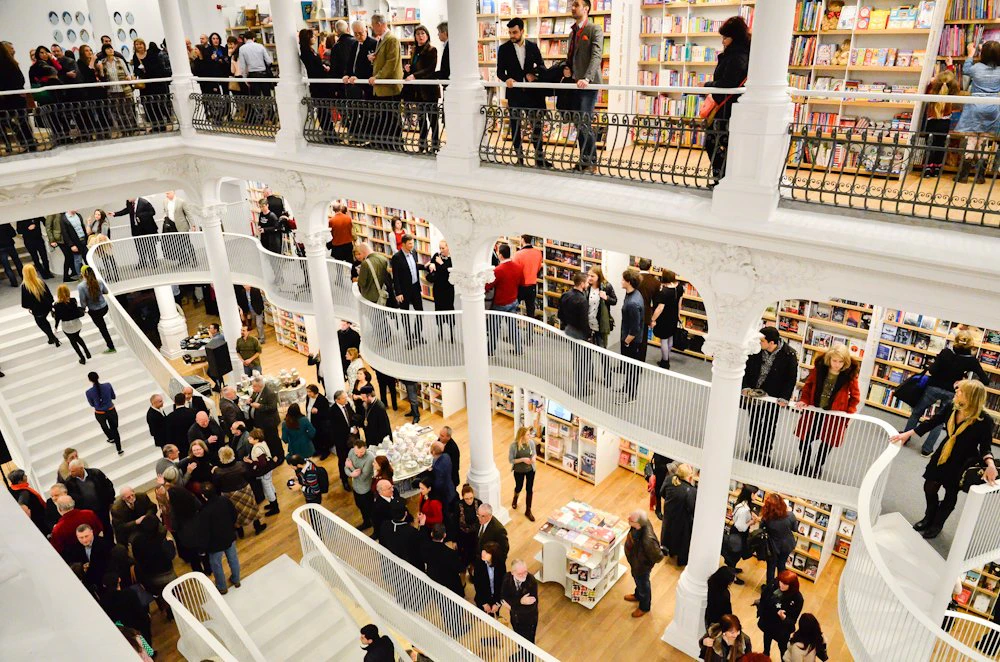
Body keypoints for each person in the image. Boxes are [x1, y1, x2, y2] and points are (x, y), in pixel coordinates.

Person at [892, 379, 998, 538]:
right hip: (944, 453)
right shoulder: (952, 407)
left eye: (961, 391)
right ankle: (929, 516)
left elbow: (985, 447)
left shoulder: (984, 420)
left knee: (951, 493)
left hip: (963, 460)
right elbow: (932, 422)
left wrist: (990, 464)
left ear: (970, 397)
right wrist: (907, 434)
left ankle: (937, 523)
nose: (956, 391)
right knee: (929, 486)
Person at [904, 329, 988, 456]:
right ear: (971, 344)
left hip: (933, 388)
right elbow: (985, 380)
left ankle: (905, 438)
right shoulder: (971, 361)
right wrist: (965, 382)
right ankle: (927, 449)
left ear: (956, 341)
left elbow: (932, 371)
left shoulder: (945, 353)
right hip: (952, 393)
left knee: (916, 413)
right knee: (940, 419)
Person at [793, 344, 860, 478]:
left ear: (845, 362)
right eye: (834, 361)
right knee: (804, 439)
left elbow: (855, 397)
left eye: (840, 362)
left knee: (827, 443)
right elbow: (808, 386)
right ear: (829, 359)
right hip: (814, 411)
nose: (837, 365)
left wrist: (848, 414)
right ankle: (804, 463)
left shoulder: (850, 375)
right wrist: (804, 400)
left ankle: (817, 466)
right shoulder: (819, 369)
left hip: (835, 416)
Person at [742, 326, 799, 467]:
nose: (759, 343)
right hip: (755, 394)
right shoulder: (755, 350)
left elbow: (791, 378)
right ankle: (754, 448)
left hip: (773, 396)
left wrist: (785, 397)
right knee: (754, 421)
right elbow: (745, 368)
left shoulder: (789, 355)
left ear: (772, 343)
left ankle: (765, 451)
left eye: (762, 341)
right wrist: (746, 387)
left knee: (769, 424)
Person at [497, 22, 550, 168]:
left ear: (522, 31)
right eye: (510, 32)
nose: (512, 35)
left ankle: (539, 159)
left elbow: (542, 66)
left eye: (514, 32)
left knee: (536, 126)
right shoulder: (503, 49)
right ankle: (519, 159)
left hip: (533, 95)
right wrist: (506, 79)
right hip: (514, 94)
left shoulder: (533, 46)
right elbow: (499, 72)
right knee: (515, 127)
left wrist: (534, 74)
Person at [705, 16, 750, 181]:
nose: (723, 41)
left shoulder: (737, 56)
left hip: (728, 109)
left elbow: (727, 83)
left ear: (735, 38)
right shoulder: (740, 54)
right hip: (729, 107)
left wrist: (707, 84)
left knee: (713, 141)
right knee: (722, 143)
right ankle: (724, 178)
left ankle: (722, 179)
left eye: (726, 37)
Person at [562, 0, 604, 172]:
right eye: (572, 5)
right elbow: (572, 56)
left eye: (576, 5)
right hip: (574, 84)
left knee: (584, 123)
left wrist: (587, 78)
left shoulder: (595, 29)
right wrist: (567, 69)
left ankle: (591, 162)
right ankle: (584, 161)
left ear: (586, 8)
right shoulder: (572, 32)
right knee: (579, 123)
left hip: (588, 84)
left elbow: (596, 56)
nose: (572, 8)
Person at [955, 41, 1000, 183]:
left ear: (982, 54)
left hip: (975, 106)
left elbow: (966, 69)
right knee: (984, 141)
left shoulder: (976, 68)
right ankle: (980, 176)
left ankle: (963, 175)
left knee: (971, 139)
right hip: (992, 107)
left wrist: (970, 54)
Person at [130, 515, 177, 620]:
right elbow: (171, 555)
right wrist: (170, 542)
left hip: (150, 575)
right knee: (172, 593)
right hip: (167, 573)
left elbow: (137, 558)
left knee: (159, 594)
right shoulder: (162, 539)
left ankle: (165, 610)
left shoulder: (137, 541)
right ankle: (173, 611)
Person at [213, 446, 267, 536]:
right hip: (244, 490)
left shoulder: (218, 471)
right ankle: (257, 526)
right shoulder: (241, 464)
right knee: (252, 507)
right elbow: (249, 476)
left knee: (235, 512)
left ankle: (240, 531)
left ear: (220, 457)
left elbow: (217, 485)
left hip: (229, 494)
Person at [368, 14, 404, 150]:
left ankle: (396, 145)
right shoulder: (382, 39)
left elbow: (391, 63)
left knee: (393, 118)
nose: (372, 29)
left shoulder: (391, 39)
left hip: (389, 87)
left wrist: (377, 77)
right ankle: (386, 143)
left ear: (379, 24)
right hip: (383, 87)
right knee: (385, 117)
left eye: (373, 25)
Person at [198, 483, 241, 595]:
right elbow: (234, 514)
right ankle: (236, 579)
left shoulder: (204, 511)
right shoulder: (224, 500)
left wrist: (203, 547)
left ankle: (222, 587)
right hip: (229, 536)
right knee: (233, 559)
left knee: (216, 564)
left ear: (204, 496)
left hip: (215, 543)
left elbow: (204, 531)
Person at [404, 25, 440, 153]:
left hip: (429, 90)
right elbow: (415, 68)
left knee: (433, 119)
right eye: (418, 34)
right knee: (421, 119)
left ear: (427, 35)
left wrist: (414, 75)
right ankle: (422, 145)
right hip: (418, 90)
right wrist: (409, 69)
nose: (420, 36)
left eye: (423, 33)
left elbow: (430, 69)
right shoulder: (414, 50)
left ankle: (435, 145)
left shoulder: (432, 50)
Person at [921, 66, 960, 179]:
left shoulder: (932, 91)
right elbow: (951, 82)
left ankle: (927, 168)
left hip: (931, 122)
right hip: (945, 123)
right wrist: (950, 67)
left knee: (929, 145)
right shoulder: (952, 92)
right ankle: (937, 169)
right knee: (941, 146)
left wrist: (932, 82)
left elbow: (931, 87)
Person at [62, 458, 116, 538]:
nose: (71, 473)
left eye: (73, 471)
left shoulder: (96, 473)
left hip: (102, 508)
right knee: (92, 531)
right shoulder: (69, 482)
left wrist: (111, 501)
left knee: (106, 526)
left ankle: (110, 543)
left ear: (81, 468)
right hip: (86, 513)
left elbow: (108, 486)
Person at [624, 510, 663, 618]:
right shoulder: (639, 525)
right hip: (636, 562)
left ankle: (644, 607)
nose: (628, 518)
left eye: (631, 519)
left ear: (638, 524)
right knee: (639, 582)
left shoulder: (648, 540)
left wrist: (644, 563)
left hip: (641, 567)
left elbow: (658, 556)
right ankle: (637, 595)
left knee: (643, 585)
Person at [558, 272, 592, 395]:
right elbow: (584, 322)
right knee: (582, 361)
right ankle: (582, 388)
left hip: (569, 330)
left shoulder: (565, 295)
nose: (588, 284)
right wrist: (589, 335)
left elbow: (560, 314)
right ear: (582, 284)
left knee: (578, 359)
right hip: (580, 334)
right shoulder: (582, 301)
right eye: (587, 282)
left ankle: (582, 385)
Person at [758, 569, 804, 658]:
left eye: (785, 584)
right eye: (781, 582)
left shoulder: (797, 599)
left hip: (782, 628)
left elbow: (793, 620)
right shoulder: (774, 585)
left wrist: (784, 617)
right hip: (769, 621)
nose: (781, 585)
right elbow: (764, 598)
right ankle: (766, 655)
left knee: (783, 649)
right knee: (766, 640)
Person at [487, 243, 523, 355]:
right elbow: (521, 282)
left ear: (501, 255)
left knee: (494, 328)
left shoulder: (498, 270)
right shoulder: (518, 267)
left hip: (500, 303)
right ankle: (518, 349)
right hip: (513, 301)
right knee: (513, 327)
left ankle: (490, 350)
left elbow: (488, 286)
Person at [390, 234, 427, 346]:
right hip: (404, 291)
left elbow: (414, 266)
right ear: (403, 244)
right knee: (405, 315)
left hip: (415, 288)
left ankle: (417, 335)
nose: (412, 245)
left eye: (412, 243)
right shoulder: (396, 257)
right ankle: (409, 339)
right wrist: (398, 293)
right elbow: (395, 277)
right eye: (410, 243)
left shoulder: (413, 252)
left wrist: (425, 266)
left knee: (420, 312)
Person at [661, 463, 697, 566]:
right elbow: (692, 507)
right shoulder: (691, 491)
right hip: (682, 519)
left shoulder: (669, 480)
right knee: (682, 540)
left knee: (668, 534)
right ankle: (681, 560)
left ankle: (668, 551)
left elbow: (662, 493)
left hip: (669, 515)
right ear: (688, 476)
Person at [131, 40, 171, 132]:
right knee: (148, 104)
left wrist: (145, 68)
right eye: (137, 44)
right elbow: (136, 69)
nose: (139, 46)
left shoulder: (151, 54)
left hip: (155, 83)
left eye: (140, 44)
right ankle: (154, 125)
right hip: (145, 85)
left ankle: (162, 125)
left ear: (144, 45)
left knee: (157, 104)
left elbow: (157, 67)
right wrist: (136, 74)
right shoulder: (135, 56)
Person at [619, 268, 645, 402]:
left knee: (631, 368)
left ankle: (631, 395)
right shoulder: (633, 293)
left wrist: (626, 342)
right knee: (628, 367)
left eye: (623, 279)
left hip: (631, 341)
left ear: (629, 282)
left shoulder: (633, 303)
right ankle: (626, 387)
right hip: (629, 337)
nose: (621, 281)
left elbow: (635, 328)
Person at [77, 266, 116, 353]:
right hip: (104, 308)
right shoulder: (99, 281)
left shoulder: (81, 286)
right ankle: (111, 346)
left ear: (83, 274)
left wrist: (83, 309)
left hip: (94, 311)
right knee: (103, 326)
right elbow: (106, 292)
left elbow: (83, 302)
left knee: (103, 329)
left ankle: (111, 347)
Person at [761, 493, 798, 586]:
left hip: (772, 546)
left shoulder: (766, 518)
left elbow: (761, 529)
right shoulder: (790, 515)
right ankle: (781, 586)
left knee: (771, 567)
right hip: (787, 545)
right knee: (781, 565)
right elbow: (795, 529)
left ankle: (769, 588)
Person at [722, 484, 754, 583]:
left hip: (735, 532)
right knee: (734, 555)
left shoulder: (740, 503)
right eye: (755, 494)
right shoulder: (745, 510)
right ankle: (732, 577)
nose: (756, 496)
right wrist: (751, 522)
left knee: (734, 553)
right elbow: (742, 527)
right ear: (750, 494)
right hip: (739, 534)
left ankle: (732, 570)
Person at [113, 199, 158, 269]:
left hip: (147, 228)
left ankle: (153, 262)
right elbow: (127, 210)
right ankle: (142, 262)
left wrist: (140, 215)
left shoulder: (144, 202)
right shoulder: (129, 202)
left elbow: (152, 212)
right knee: (139, 247)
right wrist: (115, 214)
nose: (128, 199)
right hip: (136, 228)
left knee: (150, 246)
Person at [650, 270, 681, 369]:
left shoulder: (664, 292)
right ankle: (667, 357)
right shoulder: (679, 287)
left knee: (663, 340)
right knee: (670, 337)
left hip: (664, 318)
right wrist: (678, 314)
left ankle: (665, 362)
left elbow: (660, 308)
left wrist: (653, 319)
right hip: (673, 316)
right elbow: (680, 302)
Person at [21, 264, 59, 345]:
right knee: (44, 321)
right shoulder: (41, 282)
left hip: (37, 310)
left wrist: (30, 307)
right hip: (47, 307)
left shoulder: (25, 286)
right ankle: (51, 337)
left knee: (41, 323)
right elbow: (50, 296)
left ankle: (51, 337)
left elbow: (25, 303)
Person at [502, 559, 540, 642]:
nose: (523, 575)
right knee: (518, 637)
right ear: (513, 572)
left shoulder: (531, 582)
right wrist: (520, 601)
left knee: (529, 641)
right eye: (520, 573)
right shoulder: (507, 578)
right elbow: (504, 598)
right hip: (515, 618)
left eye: (525, 572)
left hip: (529, 620)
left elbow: (530, 608)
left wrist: (512, 607)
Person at [85, 372, 123, 455]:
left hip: (100, 413)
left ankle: (111, 438)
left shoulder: (88, 392)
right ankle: (119, 449)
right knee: (115, 429)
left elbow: (92, 404)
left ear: (89, 380)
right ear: (98, 377)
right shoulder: (108, 385)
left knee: (104, 426)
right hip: (111, 410)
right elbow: (113, 397)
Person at [53, 284, 91, 364]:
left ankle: (82, 358)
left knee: (73, 341)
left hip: (66, 326)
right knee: (77, 337)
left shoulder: (56, 305)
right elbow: (75, 311)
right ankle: (86, 351)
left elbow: (57, 317)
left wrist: (56, 327)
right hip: (76, 323)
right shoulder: (73, 300)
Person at [248, 375, 282, 463]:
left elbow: (272, 408)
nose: (252, 388)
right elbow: (253, 397)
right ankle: (270, 455)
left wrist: (260, 406)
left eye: (254, 386)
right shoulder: (256, 391)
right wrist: (250, 400)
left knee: (273, 440)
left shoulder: (270, 393)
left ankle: (279, 457)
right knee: (266, 440)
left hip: (269, 423)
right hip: (260, 423)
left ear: (259, 386)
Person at [422, 522, 463, 595]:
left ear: (431, 534)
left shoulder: (425, 548)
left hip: (432, 582)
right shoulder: (451, 553)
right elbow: (459, 568)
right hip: (448, 586)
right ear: (444, 535)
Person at [247, 427, 280, 515]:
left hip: (264, 471)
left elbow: (262, 463)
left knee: (267, 488)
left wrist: (250, 461)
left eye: (250, 438)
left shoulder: (257, 449)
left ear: (256, 439)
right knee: (270, 485)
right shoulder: (263, 443)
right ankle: (273, 503)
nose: (248, 438)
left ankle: (275, 507)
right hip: (269, 469)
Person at [330, 390, 358, 490]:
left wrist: (355, 425)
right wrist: (350, 430)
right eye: (344, 398)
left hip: (352, 438)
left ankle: (354, 472)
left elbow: (352, 416)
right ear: (337, 400)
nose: (346, 399)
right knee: (343, 460)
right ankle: (344, 480)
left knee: (354, 456)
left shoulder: (347, 404)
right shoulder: (332, 411)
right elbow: (336, 428)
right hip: (341, 440)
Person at [345, 438, 375, 528]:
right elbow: (345, 467)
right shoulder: (351, 452)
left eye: (361, 452)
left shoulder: (370, 458)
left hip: (365, 489)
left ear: (365, 448)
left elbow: (362, 478)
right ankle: (367, 522)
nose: (358, 455)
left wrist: (351, 467)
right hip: (355, 487)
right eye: (356, 452)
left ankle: (371, 523)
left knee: (368, 509)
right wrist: (351, 474)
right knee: (359, 505)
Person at [509, 427, 537, 521]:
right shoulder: (514, 446)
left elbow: (534, 453)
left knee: (529, 489)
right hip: (519, 471)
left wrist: (533, 458)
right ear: (522, 436)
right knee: (519, 487)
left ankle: (528, 510)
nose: (530, 436)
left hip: (530, 470)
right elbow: (511, 460)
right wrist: (522, 460)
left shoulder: (531, 443)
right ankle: (515, 497)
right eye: (528, 435)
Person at [238, 32, 274, 103]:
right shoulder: (260, 46)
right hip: (263, 75)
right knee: (267, 97)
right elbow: (269, 61)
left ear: (245, 39)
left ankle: (259, 110)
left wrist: (245, 78)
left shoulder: (242, 49)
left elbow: (242, 66)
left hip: (253, 76)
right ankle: (270, 109)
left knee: (256, 98)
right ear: (253, 38)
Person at [9, 469, 48, 535]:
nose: (26, 476)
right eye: (24, 476)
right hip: (37, 519)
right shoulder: (24, 493)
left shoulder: (11, 488)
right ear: (19, 482)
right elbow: (23, 507)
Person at [474, 541, 506, 618]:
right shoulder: (479, 563)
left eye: (487, 552)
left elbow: (502, 585)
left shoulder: (501, 564)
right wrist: (484, 603)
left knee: (494, 616)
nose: (483, 553)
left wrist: (498, 603)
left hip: (496, 597)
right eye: (483, 551)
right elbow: (477, 584)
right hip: (483, 597)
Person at [457, 484, 483, 573]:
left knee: (474, 556)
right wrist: (454, 540)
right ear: (463, 497)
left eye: (471, 498)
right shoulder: (458, 505)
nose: (469, 501)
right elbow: (455, 523)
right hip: (463, 536)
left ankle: (472, 570)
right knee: (464, 557)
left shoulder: (479, 503)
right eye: (466, 499)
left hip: (475, 536)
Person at [476, 503, 510, 572]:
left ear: (490, 516)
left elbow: (504, 550)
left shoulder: (499, 530)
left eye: (483, 516)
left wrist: (492, 562)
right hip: (481, 560)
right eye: (478, 515)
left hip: (492, 564)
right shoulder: (480, 520)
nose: (479, 518)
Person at [166, 393, 197, 457]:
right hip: (193, 442)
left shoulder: (169, 417)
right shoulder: (192, 412)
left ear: (174, 401)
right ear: (184, 401)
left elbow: (169, 434)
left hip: (180, 446)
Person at [430, 441, 456, 507]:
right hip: (450, 487)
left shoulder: (438, 467)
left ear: (433, 452)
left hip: (444, 493)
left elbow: (438, 483)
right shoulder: (446, 456)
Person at [0, 223, 23, 287]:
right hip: (10, 245)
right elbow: (13, 234)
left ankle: (14, 283)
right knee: (18, 262)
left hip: (1, 249)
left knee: (7, 267)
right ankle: (24, 278)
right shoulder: (5, 223)